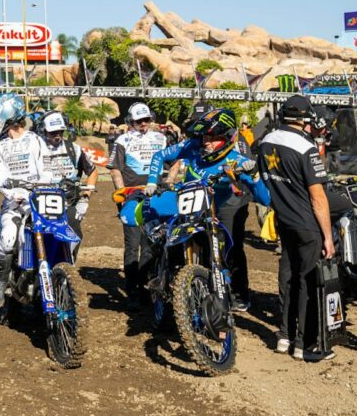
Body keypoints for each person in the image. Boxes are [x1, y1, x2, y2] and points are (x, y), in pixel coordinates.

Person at [143, 108, 262, 310]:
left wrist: (254, 176)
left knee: (229, 247)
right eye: (202, 134)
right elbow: (161, 156)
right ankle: (171, 278)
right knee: (165, 225)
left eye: (210, 135)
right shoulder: (194, 144)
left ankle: (236, 293)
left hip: (230, 201)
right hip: (194, 198)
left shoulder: (238, 146)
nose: (204, 140)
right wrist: (153, 182)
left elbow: (254, 185)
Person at [255, 95, 337, 362]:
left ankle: (284, 336)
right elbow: (318, 197)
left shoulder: (266, 141)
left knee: (288, 280)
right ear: (305, 119)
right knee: (307, 283)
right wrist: (328, 237)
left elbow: (265, 183)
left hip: (283, 220)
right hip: (307, 224)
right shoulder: (305, 147)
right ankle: (305, 344)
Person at [0, 96, 46, 309]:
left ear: (6, 114)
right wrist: (11, 193)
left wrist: (46, 184)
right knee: (9, 238)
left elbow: (46, 168)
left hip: (39, 199)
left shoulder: (35, 140)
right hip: (14, 203)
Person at [109, 102, 170, 307]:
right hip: (132, 196)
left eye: (146, 120)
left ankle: (145, 286)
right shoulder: (122, 140)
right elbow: (115, 169)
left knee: (151, 243)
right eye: (139, 121)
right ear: (131, 121)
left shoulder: (161, 138)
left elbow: (175, 161)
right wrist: (122, 192)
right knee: (132, 244)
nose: (143, 124)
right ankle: (132, 289)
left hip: (156, 195)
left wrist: (168, 182)